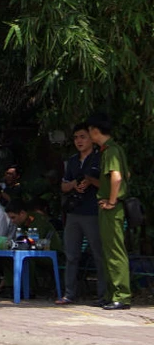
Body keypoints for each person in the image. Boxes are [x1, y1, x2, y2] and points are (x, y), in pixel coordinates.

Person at [87, 113, 132, 310]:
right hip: (108, 206)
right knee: (108, 251)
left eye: (89, 131)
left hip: (111, 208)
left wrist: (112, 201)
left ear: (96, 131)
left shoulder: (111, 151)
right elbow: (127, 173)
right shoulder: (111, 150)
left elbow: (117, 177)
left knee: (114, 251)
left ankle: (121, 295)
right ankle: (111, 294)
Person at [57, 123, 105, 305]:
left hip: (93, 211)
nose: (79, 141)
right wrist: (74, 185)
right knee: (71, 254)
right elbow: (63, 185)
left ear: (91, 138)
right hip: (74, 212)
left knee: (98, 253)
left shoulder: (100, 158)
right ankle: (69, 293)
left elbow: (108, 184)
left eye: (83, 137)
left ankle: (103, 295)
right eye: (76, 137)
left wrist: (90, 181)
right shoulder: (72, 160)